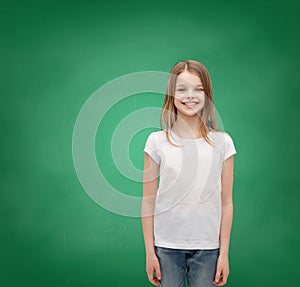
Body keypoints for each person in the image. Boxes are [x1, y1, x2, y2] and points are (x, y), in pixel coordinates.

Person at [141, 59, 237, 287]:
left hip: (208, 248)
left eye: (198, 89)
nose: (190, 96)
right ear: (171, 96)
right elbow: (148, 201)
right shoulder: (157, 141)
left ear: (207, 95)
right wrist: (149, 252)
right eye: (181, 89)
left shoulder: (222, 143)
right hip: (166, 246)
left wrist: (224, 254)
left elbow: (226, 202)